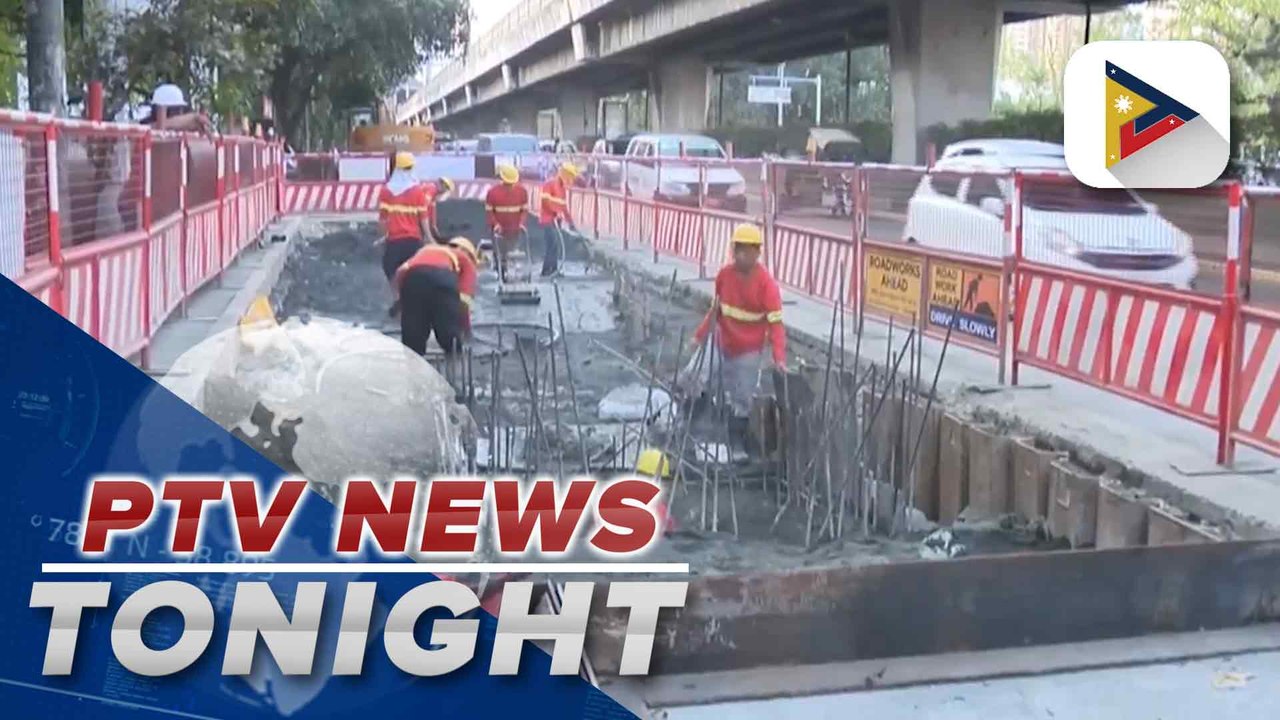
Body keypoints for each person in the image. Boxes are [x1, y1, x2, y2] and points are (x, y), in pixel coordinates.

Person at [681, 223, 787, 423]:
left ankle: (738, 429)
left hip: (748, 351)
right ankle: (694, 418)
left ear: (757, 253)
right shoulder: (724, 276)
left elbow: (776, 325)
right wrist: (699, 337)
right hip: (720, 341)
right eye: (738, 250)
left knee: (743, 400)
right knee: (691, 377)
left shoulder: (767, 286)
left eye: (747, 251)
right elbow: (715, 311)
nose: (741, 256)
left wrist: (779, 357)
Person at [392, 237, 480, 359]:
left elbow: (401, 271)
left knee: (413, 338)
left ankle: (412, 365)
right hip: (442, 279)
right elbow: (464, 303)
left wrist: (402, 300)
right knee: (449, 334)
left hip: (413, 279)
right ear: (467, 252)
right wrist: (467, 329)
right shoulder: (464, 258)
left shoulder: (425, 250)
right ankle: (455, 363)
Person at [378, 152, 431, 314]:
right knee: (414, 272)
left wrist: (383, 236)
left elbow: (383, 220)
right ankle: (413, 301)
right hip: (413, 240)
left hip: (394, 240)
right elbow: (423, 219)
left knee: (390, 269)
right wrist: (429, 239)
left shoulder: (386, 191)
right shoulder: (418, 191)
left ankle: (398, 298)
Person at [484, 164, 529, 281]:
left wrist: (521, 223)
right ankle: (500, 271)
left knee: (511, 250)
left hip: (515, 228)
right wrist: (495, 224)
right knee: (499, 250)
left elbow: (524, 210)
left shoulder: (522, 192)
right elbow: (489, 212)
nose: (510, 186)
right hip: (499, 228)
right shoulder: (492, 192)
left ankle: (510, 271)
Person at [537, 162, 579, 277]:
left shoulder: (562, 189)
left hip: (556, 221)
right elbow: (545, 202)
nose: (571, 180)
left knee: (554, 246)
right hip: (547, 220)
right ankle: (547, 270)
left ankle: (552, 269)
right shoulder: (549, 184)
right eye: (570, 177)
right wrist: (555, 212)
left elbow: (563, 207)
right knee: (552, 245)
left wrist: (570, 222)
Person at [142, 84, 213, 133]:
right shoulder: (144, 126)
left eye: (180, 109)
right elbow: (151, 128)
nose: (179, 112)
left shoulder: (185, 129)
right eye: (175, 109)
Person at [423, 176, 456, 243]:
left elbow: (432, 210)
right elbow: (424, 208)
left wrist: (434, 225)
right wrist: (428, 234)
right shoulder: (431, 189)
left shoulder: (434, 195)